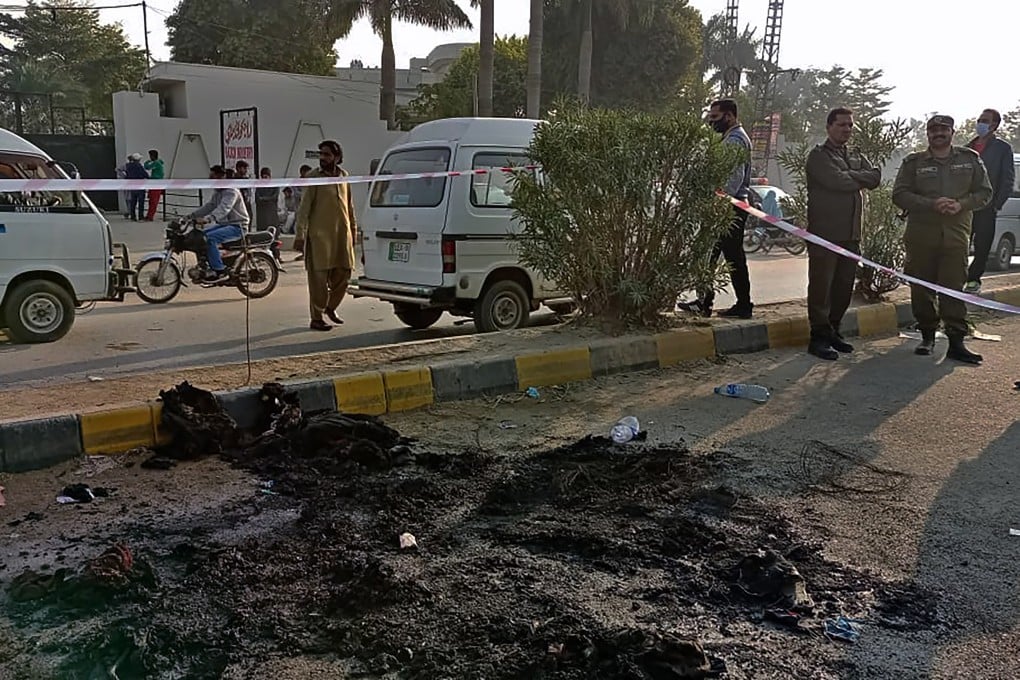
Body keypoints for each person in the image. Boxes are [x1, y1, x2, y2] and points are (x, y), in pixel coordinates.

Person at [892, 115, 992, 364]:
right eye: (933, 129)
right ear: (928, 134)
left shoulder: (969, 159)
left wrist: (961, 204)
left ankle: (957, 343)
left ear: (952, 132)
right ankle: (927, 336)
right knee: (921, 288)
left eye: (943, 129)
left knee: (953, 289)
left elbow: (985, 192)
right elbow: (900, 194)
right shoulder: (913, 163)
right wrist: (930, 204)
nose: (938, 133)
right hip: (921, 236)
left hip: (956, 236)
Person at [804, 107, 882, 361]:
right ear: (829, 127)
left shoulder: (855, 155)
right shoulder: (818, 156)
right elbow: (836, 182)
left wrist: (852, 176)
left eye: (849, 125)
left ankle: (834, 330)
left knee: (843, 287)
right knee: (821, 287)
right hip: (825, 234)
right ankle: (819, 336)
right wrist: (857, 178)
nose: (846, 129)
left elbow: (875, 177)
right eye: (841, 125)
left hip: (851, 234)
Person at [678, 98, 754, 318]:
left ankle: (738, 304)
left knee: (726, 257)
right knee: (716, 256)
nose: (711, 122)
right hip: (728, 207)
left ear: (729, 116)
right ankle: (707, 301)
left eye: (715, 117)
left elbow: (733, 178)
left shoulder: (735, 140)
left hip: (728, 209)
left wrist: (717, 202)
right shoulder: (730, 138)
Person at [294, 140, 357, 332]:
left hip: (341, 236)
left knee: (345, 275)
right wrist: (300, 234)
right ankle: (317, 317)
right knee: (318, 281)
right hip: (320, 238)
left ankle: (330, 308)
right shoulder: (314, 177)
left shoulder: (344, 176)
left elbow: (349, 206)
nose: (323, 158)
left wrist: (354, 231)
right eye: (321, 154)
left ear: (337, 157)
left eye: (327, 154)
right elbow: (304, 208)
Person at [964, 109, 1016, 293]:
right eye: (979, 119)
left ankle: (973, 279)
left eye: (985, 121)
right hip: (965, 205)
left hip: (987, 205)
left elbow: (1007, 179)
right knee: (961, 243)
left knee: (983, 246)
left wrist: (997, 203)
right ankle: (957, 278)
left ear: (994, 125)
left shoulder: (1002, 148)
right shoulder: (967, 147)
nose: (980, 123)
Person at [188, 165, 251, 284]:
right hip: (225, 225)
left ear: (221, 176)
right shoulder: (218, 191)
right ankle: (204, 265)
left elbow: (224, 208)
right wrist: (191, 216)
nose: (210, 179)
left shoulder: (231, 191)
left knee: (210, 238)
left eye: (213, 177)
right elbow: (210, 206)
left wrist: (208, 219)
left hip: (238, 226)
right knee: (200, 236)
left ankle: (219, 270)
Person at [124, 152, 148, 221]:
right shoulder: (139, 166)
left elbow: (127, 175)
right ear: (138, 159)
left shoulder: (128, 166)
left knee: (133, 202)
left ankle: (133, 216)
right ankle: (140, 217)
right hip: (140, 186)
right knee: (141, 202)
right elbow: (145, 174)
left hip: (132, 186)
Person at [254, 166, 280, 232]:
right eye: (263, 177)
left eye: (266, 177)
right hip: (261, 212)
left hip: (271, 211)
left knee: (272, 229)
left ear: (270, 176)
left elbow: (274, 197)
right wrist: (266, 199)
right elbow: (257, 198)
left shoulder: (275, 185)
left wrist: (264, 199)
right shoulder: (259, 185)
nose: (264, 179)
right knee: (262, 231)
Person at [144, 149, 165, 221]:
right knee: (152, 200)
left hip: (155, 184)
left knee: (153, 201)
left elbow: (147, 167)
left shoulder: (156, 163)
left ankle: (150, 216)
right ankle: (149, 215)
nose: (150, 157)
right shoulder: (159, 162)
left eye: (150, 156)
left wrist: (147, 162)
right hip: (156, 184)